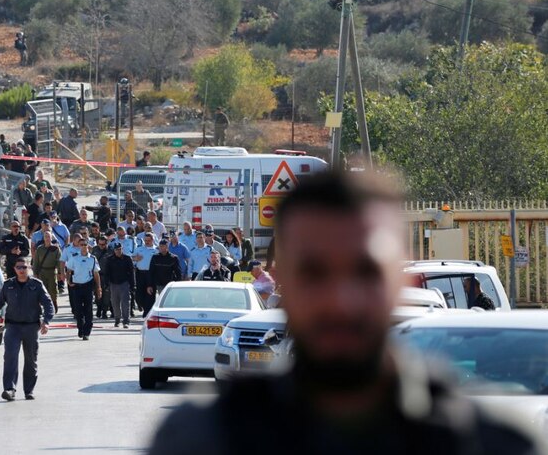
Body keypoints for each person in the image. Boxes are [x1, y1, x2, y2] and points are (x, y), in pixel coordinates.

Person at [150, 170, 546, 454]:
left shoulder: (487, 443)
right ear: (282, 279)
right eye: (315, 272)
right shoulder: (203, 439)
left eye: (365, 271)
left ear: (399, 276)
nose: (341, 300)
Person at [0, 258, 53, 402]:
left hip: (31, 327)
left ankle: (29, 390)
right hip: (13, 327)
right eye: (19, 267)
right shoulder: (8, 285)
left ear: (28, 267)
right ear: (14, 269)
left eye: (24, 267)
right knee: (10, 357)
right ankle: (9, 389)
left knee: (31, 359)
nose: (22, 270)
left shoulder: (37, 285)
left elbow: (48, 305)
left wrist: (46, 322)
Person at [65, 242, 102, 340]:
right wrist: (68, 281)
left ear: (88, 246)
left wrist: (98, 287)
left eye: (85, 244)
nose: (83, 246)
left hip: (88, 286)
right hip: (77, 286)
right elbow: (68, 270)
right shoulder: (74, 257)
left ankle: (87, 332)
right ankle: (80, 327)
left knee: (88, 309)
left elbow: (96, 274)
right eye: (81, 244)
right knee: (78, 310)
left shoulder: (92, 259)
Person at [146, 239, 182, 316]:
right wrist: (149, 285)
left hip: (170, 284)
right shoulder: (155, 257)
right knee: (162, 301)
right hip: (159, 284)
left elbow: (178, 273)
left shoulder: (173, 258)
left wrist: (178, 284)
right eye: (160, 246)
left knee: (170, 301)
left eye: (163, 246)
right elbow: (151, 272)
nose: (162, 248)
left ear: (167, 247)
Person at [103, 242, 135, 328]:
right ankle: (117, 320)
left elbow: (131, 273)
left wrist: (133, 285)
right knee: (115, 303)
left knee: (125, 303)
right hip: (113, 284)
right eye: (117, 249)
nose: (118, 251)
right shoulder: (110, 259)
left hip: (124, 284)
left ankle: (126, 321)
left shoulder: (127, 259)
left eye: (120, 249)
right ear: (114, 250)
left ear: (122, 249)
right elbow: (107, 273)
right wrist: (106, 284)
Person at [32, 231, 63, 314]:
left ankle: (54, 304)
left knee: (53, 290)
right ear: (43, 238)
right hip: (42, 271)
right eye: (45, 236)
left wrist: (60, 272)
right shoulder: (40, 249)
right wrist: (35, 273)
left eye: (48, 236)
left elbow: (59, 262)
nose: (47, 238)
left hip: (52, 271)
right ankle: (45, 307)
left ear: (51, 238)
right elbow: (36, 262)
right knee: (43, 290)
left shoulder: (56, 249)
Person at [132, 233, 157, 314]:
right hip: (140, 273)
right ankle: (141, 305)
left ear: (152, 240)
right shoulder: (139, 249)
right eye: (145, 240)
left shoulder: (156, 250)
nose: (147, 242)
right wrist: (135, 258)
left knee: (150, 294)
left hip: (151, 274)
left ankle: (147, 312)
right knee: (139, 295)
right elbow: (131, 259)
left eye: (149, 240)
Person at [91, 236, 112, 319]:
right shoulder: (95, 250)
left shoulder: (110, 251)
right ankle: (99, 308)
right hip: (97, 275)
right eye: (99, 244)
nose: (101, 246)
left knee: (107, 295)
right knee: (97, 294)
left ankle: (104, 311)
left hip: (107, 275)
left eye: (103, 244)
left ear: (106, 244)